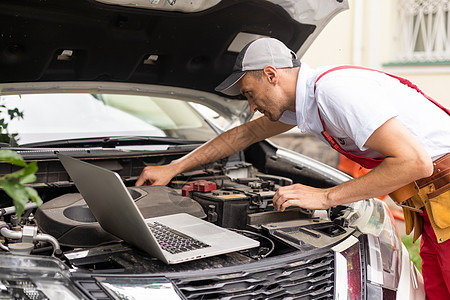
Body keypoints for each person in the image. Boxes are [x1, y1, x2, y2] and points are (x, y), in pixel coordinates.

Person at [136, 37, 450, 298]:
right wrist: (174, 167)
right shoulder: (305, 100)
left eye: (250, 94)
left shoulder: (334, 92)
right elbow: (246, 133)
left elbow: (414, 161)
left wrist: (326, 197)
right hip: (434, 211)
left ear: (272, 75)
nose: (252, 107)